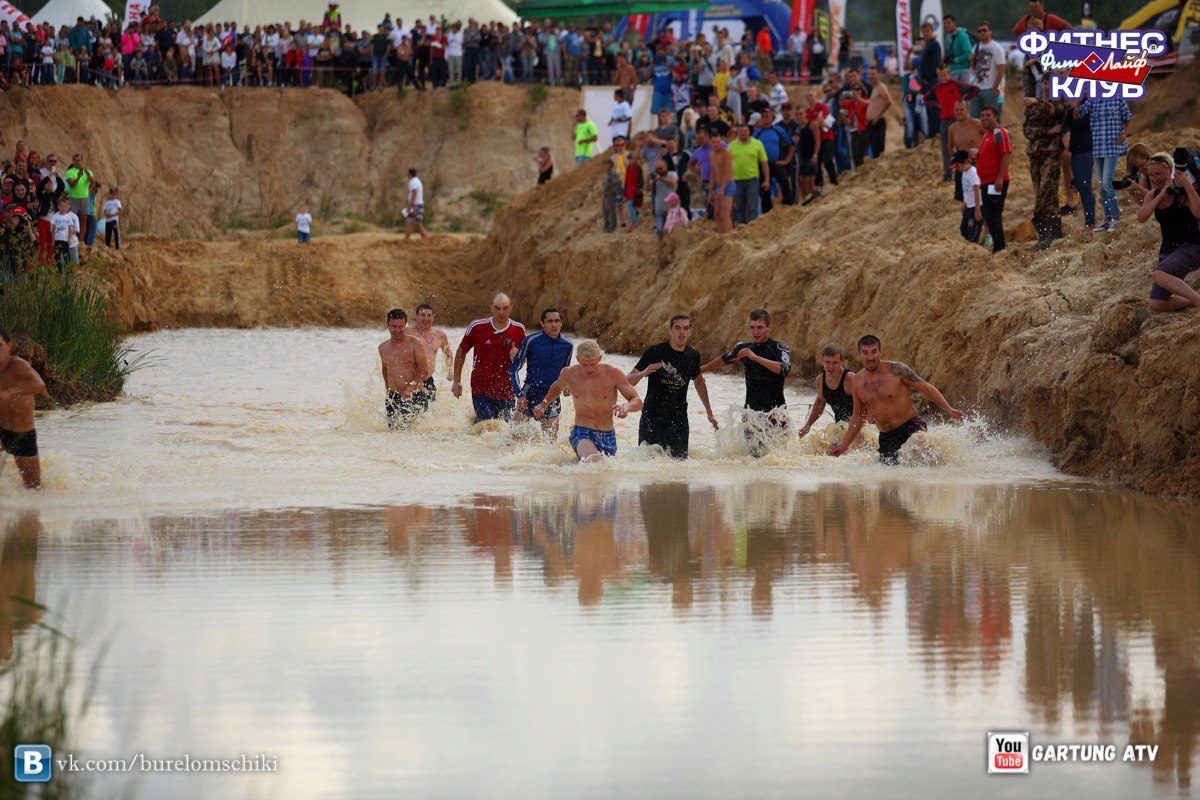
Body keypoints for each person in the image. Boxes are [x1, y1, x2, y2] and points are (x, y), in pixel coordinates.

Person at [829, 335, 965, 464]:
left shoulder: (897, 370)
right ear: (859, 355)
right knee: (889, 481)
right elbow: (857, 416)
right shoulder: (857, 382)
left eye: (874, 352)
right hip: (887, 436)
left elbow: (926, 388)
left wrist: (949, 409)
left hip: (910, 425)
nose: (870, 357)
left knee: (920, 441)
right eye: (865, 353)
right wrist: (844, 445)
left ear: (880, 352)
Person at [533, 340, 641, 461]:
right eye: (584, 365)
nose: (589, 369)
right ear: (577, 359)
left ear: (600, 358)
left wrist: (626, 407)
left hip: (608, 435)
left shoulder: (613, 374)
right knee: (595, 461)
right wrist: (544, 404)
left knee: (603, 474)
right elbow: (557, 387)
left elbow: (637, 401)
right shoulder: (569, 373)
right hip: (582, 432)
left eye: (593, 364)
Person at [627, 314, 718, 458]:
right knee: (649, 464)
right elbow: (628, 381)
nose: (681, 332)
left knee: (679, 466)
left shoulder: (693, 355)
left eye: (685, 328)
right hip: (653, 417)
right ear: (670, 330)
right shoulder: (655, 352)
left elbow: (699, 381)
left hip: (679, 419)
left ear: (690, 332)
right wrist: (644, 372)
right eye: (677, 328)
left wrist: (709, 412)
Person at [1136, 151, 1200, 313]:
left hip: (1192, 246)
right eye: (1151, 175)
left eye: (1159, 174)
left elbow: (1198, 213)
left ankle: (1198, 301)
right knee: (1158, 304)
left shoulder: (1181, 194)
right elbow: (1142, 217)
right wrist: (1161, 193)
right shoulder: (1152, 194)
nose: (1155, 178)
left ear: (1169, 172)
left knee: (1158, 274)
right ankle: (1193, 300)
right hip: (1169, 250)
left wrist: (1186, 185)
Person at [452, 293, 526, 423]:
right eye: (497, 308)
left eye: (505, 308)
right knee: (487, 424)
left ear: (511, 308)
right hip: (481, 387)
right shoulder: (477, 326)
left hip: (507, 388)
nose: (501, 312)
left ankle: (473, 424)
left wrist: (517, 359)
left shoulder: (519, 330)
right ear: (491, 307)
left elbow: (522, 363)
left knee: (503, 429)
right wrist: (456, 380)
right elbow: (461, 351)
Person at [701, 309, 790, 417]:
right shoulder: (743, 348)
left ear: (769, 327)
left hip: (776, 414)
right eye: (752, 327)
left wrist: (756, 358)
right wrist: (703, 369)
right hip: (750, 414)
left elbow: (784, 369)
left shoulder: (779, 347)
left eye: (760, 327)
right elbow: (725, 359)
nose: (755, 332)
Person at [1024, 77, 1071, 249]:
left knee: (1047, 190)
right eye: (1045, 83)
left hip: (1051, 153)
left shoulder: (1060, 103)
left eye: (1051, 83)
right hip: (1035, 153)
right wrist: (1046, 131)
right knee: (1041, 192)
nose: (1047, 86)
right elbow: (1027, 130)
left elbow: (1053, 111)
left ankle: (1048, 231)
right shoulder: (1034, 105)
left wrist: (1036, 102)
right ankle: (1048, 234)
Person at [511, 307, 574, 437]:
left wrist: (567, 385)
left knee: (550, 443)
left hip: (552, 395)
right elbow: (513, 369)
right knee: (514, 440)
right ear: (542, 323)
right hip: (530, 392)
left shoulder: (568, 345)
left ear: (562, 323)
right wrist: (520, 395)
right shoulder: (531, 341)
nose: (554, 324)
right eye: (550, 321)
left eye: (557, 321)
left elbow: (565, 371)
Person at [0, 328, 46, 489]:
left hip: (22, 433)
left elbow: (39, 385)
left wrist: (12, 392)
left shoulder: (18, 365)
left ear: (9, 346)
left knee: (33, 488)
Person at [1081, 96, 1132, 233]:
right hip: (1097, 148)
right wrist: (1081, 98)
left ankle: (1115, 217)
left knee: (1106, 183)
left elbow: (1128, 118)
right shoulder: (1092, 100)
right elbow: (1079, 114)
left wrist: (1124, 134)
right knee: (1101, 184)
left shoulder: (1118, 99)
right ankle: (1107, 218)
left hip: (1112, 148)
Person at [925, 65, 979, 180]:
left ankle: (965, 170)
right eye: (940, 75)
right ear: (938, 76)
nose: (943, 77)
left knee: (962, 146)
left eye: (945, 75)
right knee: (945, 147)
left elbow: (974, 89)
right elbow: (926, 98)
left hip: (959, 120)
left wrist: (963, 102)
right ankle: (947, 174)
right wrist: (938, 105)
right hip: (944, 120)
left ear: (949, 74)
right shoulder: (937, 88)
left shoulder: (956, 84)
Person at [378, 309, 430, 429]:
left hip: (415, 395)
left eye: (401, 326)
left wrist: (409, 390)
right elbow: (385, 369)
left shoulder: (415, 343)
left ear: (405, 325)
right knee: (393, 433)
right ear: (388, 325)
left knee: (417, 434)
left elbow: (424, 370)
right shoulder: (383, 347)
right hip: (393, 398)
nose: (398, 330)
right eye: (394, 326)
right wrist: (387, 388)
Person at [798, 342, 857, 438]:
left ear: (841, 360)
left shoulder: (850, 379)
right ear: (822, 360)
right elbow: (820, 403)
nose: (831, 367)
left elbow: (867, 404)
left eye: (835, 362)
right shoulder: (820, 380)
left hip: (861, 426)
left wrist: (860, 428)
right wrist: (808, 425)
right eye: (827, 362)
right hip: (841, 427)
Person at [976, 106, 1012, 253]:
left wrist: (999, 178)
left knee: (993, 214)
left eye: (988, 115)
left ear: (995, 116)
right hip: (985, 182)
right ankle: (998, 245)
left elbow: (1006, 154)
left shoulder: (999, 132)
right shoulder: (986, 135)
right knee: (989, 214)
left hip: (995, 181)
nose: (985, 118)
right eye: (982, 115)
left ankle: (1000, 247)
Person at [409, 302, 452, 410]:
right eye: (422, 315)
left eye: (429, 315)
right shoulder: (408, 333)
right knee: (416, 414)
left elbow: (448, 353)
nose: (426, 318)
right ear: (416, 316)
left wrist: (450, 370)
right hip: (410, 379)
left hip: (428, 380)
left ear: (433, 317)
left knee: (430, 415)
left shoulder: (440, 335)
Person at [728, 123, 769, 225]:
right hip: (736, 180)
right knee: (739, 207)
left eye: (745, 131)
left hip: (752, 179)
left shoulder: (757, 143)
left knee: (752, 207)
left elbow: (764, 163)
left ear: (749, 132)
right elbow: (726, 163)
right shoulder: (732, 145)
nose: (743, 133)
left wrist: (767, 180)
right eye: (740, 131)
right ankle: (741, 228)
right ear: (738, 133)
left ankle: (753, 229)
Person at [969, 22, 1006, 121]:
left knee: (991, 120)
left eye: (984, 30)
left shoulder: (997, 48)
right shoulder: (976, 47)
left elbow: (1001, 69)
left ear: (990, 32)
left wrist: (994, 88)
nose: (982, 33)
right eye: (979, 31)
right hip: (977, 88)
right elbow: (973, 67)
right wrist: (972, 61)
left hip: (990, 89)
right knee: (974, 120)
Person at [954, 149, 983, 243]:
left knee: (972, 233)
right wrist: (964, 203)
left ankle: (975, 250)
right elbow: (967, 191)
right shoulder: (964, 173)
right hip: (969, 206)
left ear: (965, 162)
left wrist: (977, 211)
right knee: (963, 230)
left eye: (958, 166)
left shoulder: (973, 173)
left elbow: (977, 193)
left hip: (975, 207)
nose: (957, 169)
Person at [709, 132, 734, 233]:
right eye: (714, 142)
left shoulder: (726, 153)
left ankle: (729, 237)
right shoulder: (711, 155)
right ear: (710, 143)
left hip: (728, 184)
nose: (716, 144)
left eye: (718, 142)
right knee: (717, 214)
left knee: (725, 213)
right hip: (718, 185)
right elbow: (713, 174)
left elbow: (728, 172)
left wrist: (722, 189)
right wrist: (711, 191)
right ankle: (721, 236)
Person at [48, 197, 79, 270]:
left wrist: (69, 238)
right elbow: (53, 229)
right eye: (62, 206)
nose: (63, 208)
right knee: (57, 257)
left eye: (65, 206)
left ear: (67, 207)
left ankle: (68, 272)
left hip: (65, 240)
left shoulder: (68, 217)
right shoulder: (55, 216)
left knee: (66, 257)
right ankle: (59, 271)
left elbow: (70, 229)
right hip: (57, 240)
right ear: (58, 206)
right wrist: (53, 240)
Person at [943, 15, 972, 83]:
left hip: (962, 71)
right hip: (951, 71)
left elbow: (969, 54)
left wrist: (955, 60)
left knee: (963, 93)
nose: (946, 25)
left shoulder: (962, 36)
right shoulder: (948, 36)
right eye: (944, 23)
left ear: (954, 23)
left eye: (948, 22)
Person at [404, 167, 427, 240]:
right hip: (418, 205)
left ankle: (406, 240)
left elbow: (414, 193)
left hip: (415, 206)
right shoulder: (417, 181)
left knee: (412, 223)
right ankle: (426, 239)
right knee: (415, 223)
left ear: (409, 174)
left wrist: (410, 206)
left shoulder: (413, 182)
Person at [601, 158, 622, 233]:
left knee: (611, 211)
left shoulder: (612, 173)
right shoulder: (607, 173)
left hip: (610, 196)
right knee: (605, 210)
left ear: (610, 165)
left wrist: (613, 191)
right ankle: (607, 225)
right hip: (606, 195)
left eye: (606, 164)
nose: (604, 166)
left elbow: (618, 182)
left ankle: (612, 227)